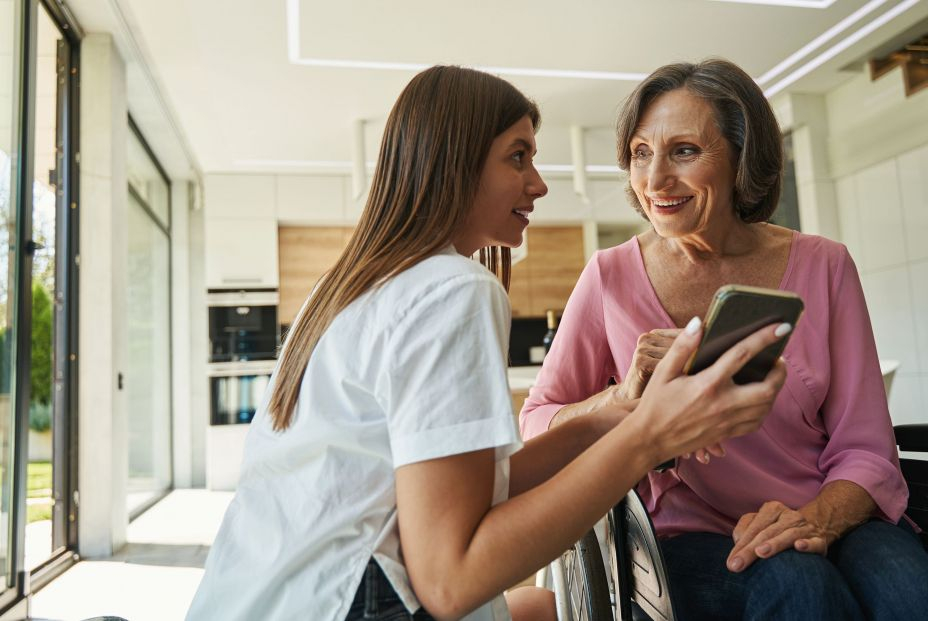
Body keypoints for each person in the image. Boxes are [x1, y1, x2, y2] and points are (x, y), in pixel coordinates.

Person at [186, 65, 790, 621]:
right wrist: (649, 437)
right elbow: (451, 582)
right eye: (518, 157)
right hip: (351, 602)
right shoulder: (452, 288)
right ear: (455, 163)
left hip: (256, 597)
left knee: (543, 609)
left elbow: (466, 484)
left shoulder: (345, 285)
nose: (539, 184)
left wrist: (616, 416)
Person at [520, 58, 928, 621]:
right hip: (690, 533)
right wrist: (623, 397)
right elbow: (538, 420)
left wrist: (819, 516)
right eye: (641, 153)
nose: (655, 180)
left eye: (684, 151)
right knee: (801, 588)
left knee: (911, 593)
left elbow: (865, 445)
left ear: (742, 157)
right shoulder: (609, 277)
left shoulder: (825, 264)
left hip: (832, 504)